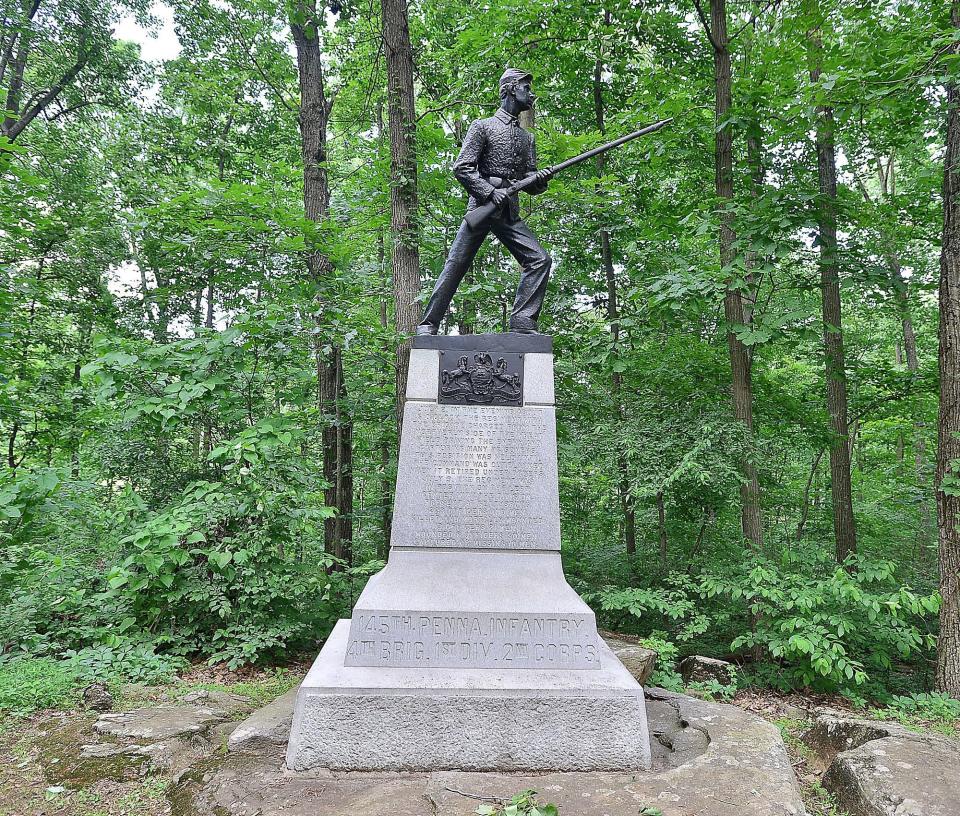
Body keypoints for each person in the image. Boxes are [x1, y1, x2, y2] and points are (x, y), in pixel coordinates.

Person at [416, 68, 553, 336]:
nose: (531, 94)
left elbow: (529, 181)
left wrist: (541, 179)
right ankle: (428, 324)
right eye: (526, 88)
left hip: (508, 213)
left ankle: (523, 322)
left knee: (539, 259)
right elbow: (463, 168)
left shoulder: (528, 138)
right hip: (482, 207)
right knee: (455, 264)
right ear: (512, 89)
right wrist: (490, 192)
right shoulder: (483, 126)